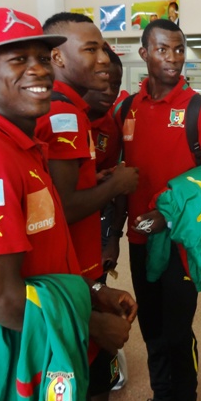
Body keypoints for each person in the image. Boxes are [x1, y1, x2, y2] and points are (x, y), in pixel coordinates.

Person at [0, 7, 137, 401]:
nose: (39, 70)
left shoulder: (20, 147)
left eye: (43, 58)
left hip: (42, 349)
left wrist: (91, 292)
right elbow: (1, 300)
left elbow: (41, 259)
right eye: (18, 59)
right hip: (14, 363)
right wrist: (91, 325)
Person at [119, 19, 201, 401]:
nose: (173, 58)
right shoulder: (127, 108)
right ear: (144, 53)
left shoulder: (198, 108)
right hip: (138, 240)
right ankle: (162, 400)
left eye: (179, 49)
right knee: (151, 326)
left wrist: (168, 213)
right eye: (163, 49)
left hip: (180, 244)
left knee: (177, 332)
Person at [36, 11, 139, 401]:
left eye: (102, 49)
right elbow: (62, 207)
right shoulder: (66, 113)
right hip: (67, 274)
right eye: (90, 49)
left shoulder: (67, 108)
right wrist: (117, 185)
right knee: (78, 385)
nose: (102, 59)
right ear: (58, 58)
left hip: (78, 274)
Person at [83, 45, 126, 277]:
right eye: (103, 82)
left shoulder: (111, 128)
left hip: (96, 222)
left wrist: (113, 239)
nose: (110, 91)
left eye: (116, 85)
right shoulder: (58, 116)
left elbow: (113, 188)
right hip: (57, 224)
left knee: (97, 282)